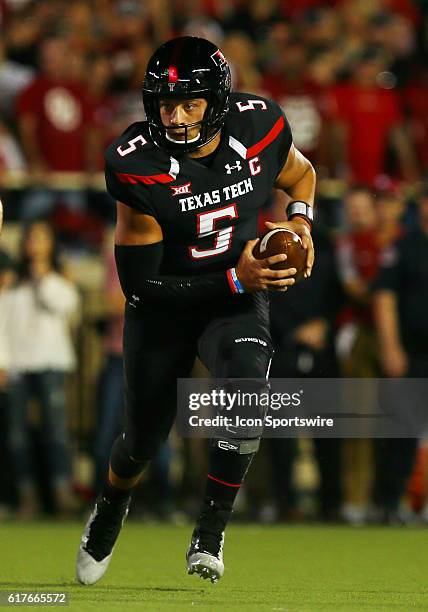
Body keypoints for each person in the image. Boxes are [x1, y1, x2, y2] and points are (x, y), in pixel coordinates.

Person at [76, 36, 315, 585]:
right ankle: (112, 504)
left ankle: (210, 530)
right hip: (165, 304)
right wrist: (236, 274)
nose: (175, 117)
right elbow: (140, 287)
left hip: (233, 299)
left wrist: (300, 222)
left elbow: (302, 176)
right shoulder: (139, 164)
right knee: (142, 440)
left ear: (219, 101)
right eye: (165, 104)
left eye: (189, 103)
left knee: (248, 391)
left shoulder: (261, 128)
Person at [1, 221, 80, 518]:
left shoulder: (58, 277)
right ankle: (27, 495)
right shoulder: (12, 281)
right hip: (20, 363)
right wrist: (2, 361)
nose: (35, 243)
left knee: (56, 432)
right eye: (31, 238)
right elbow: (3, 322)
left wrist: (43, 276)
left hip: (51, 362)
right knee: (17, 434)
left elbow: (65, 306)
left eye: (41, 238)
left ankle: (61, 493)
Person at [372, 187, 428, 523]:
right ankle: (391, 502)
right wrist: (391, 346)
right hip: (413, 354)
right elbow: (385, 297)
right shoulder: (404, 247)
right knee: (402, 431)